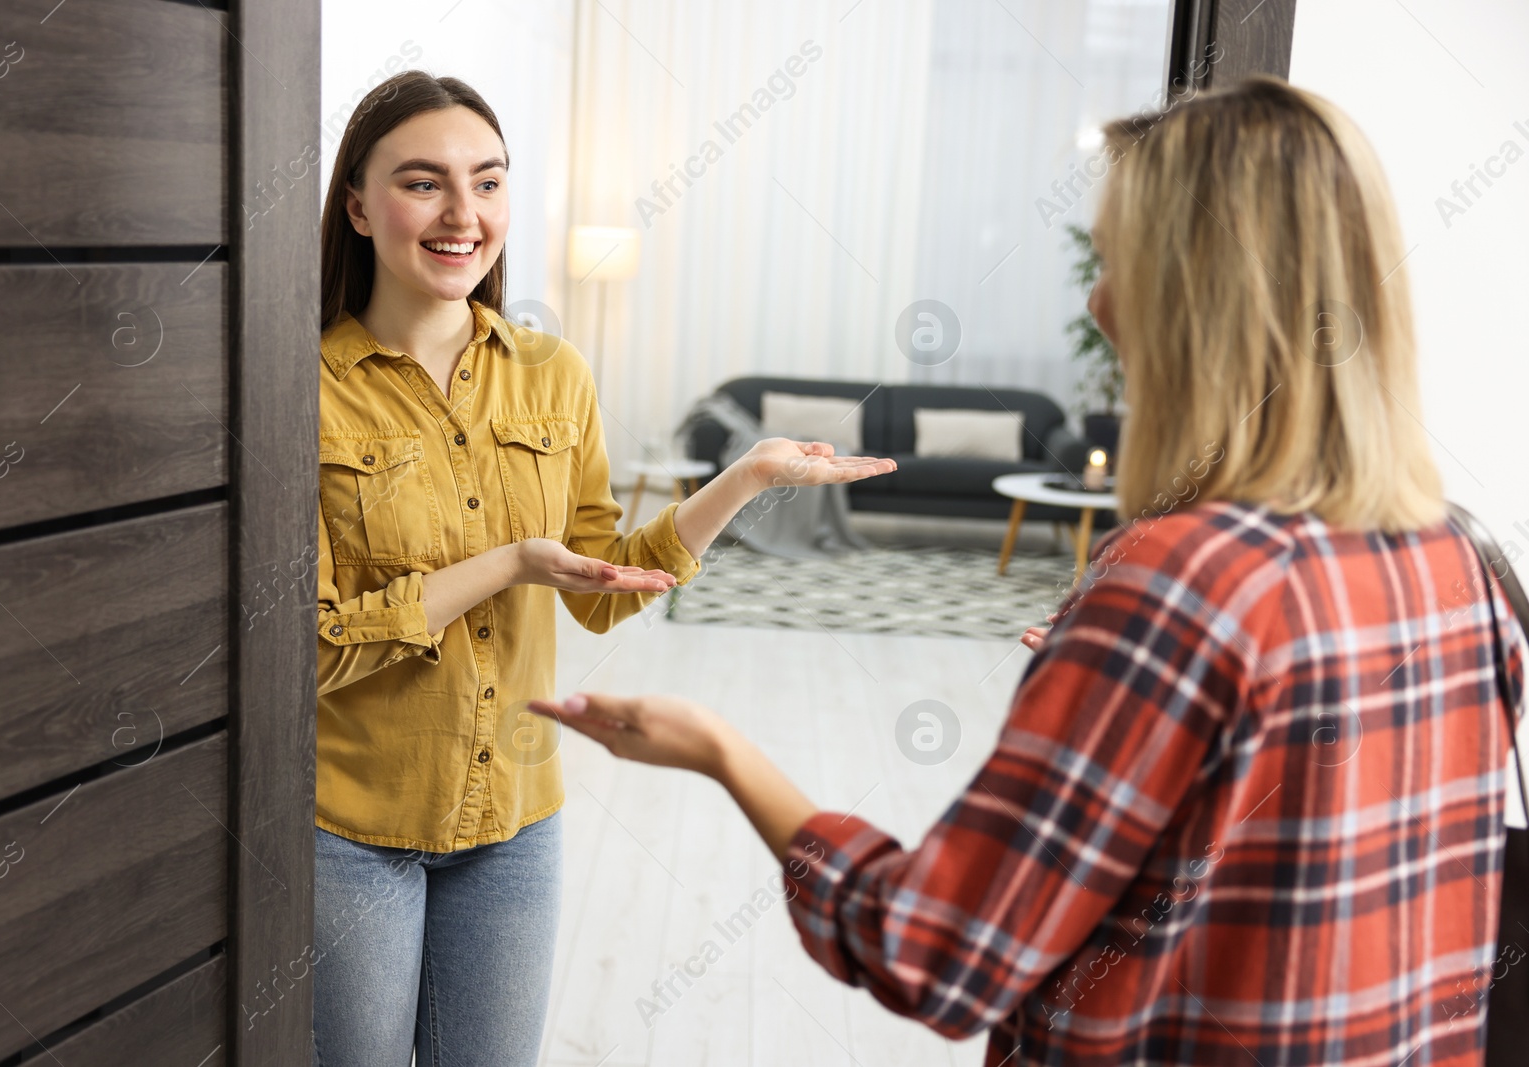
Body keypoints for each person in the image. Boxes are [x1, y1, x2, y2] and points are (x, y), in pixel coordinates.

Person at [530, 77, 1525, 1065]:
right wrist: (1139, 695)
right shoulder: (1459, 561)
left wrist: (718, 746)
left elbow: (932, 951)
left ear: (1202, 294)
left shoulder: (1179, 585)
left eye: (1111, 261)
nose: (1093, 302)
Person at [311, 70, 896, 1067]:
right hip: (349, 829)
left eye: (488, 183)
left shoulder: (553, 372)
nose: (464, 213)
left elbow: (602, 585)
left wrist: (745, 479)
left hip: (513, 822)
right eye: (424, 183)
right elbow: (315, 648)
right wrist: (504, 563)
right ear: (359, 205)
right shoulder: (306, 387)